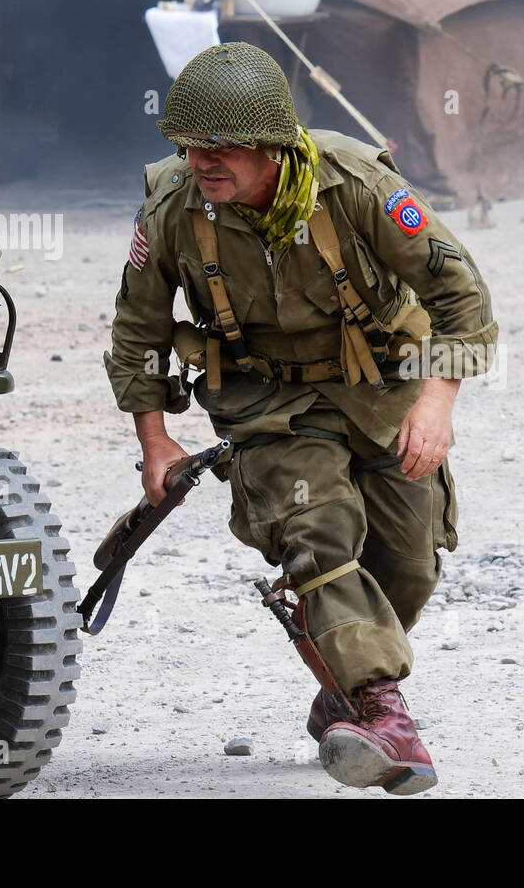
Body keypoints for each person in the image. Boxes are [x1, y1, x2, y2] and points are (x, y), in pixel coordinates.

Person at [104, 42, 497, 794]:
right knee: (322, 539)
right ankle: (386, 717)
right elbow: (138, 332)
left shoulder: (355, 187)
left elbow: (461, 293)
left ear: (275, 148)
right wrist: (154, 442)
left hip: (383, 386)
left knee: (409, 567)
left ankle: (344, 694)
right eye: (189, 144)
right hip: (266, 404)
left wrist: (438, 401)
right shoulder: (173, 210)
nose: (202, 161)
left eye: (223, 146)